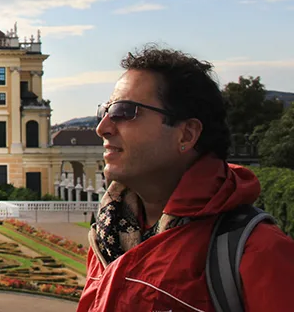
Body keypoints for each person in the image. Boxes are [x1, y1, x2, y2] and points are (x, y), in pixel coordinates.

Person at [77, 45, 294, 312]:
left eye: (124, 111)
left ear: (187, 134)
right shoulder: (107, 236)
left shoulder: (259, 251)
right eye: (104, 111)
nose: (102, 128)